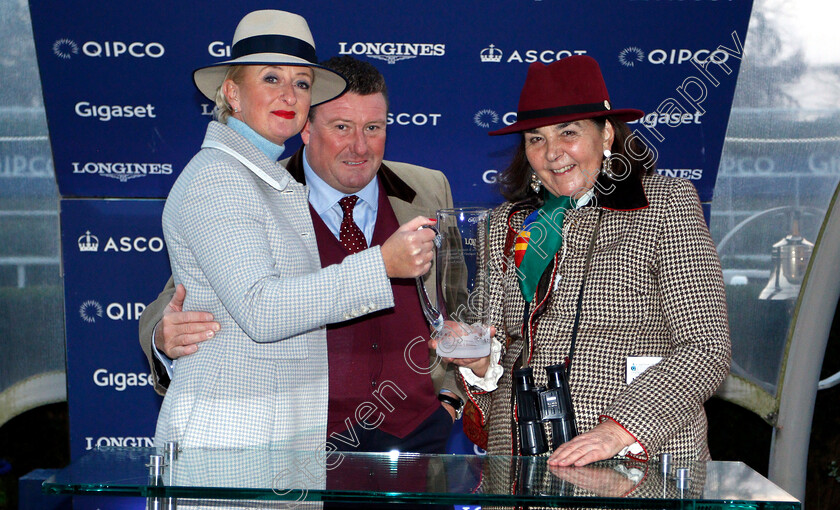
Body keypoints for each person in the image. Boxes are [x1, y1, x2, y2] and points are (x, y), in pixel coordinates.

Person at [144, 54, 464, 453]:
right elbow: (190, 288)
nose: (359, 146)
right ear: (306, 128)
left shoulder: (429, 188)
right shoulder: (259, 191)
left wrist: (450, 399)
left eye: (373, 128)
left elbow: (460, 299)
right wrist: (162, 334)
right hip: (304, 443)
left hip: (420, 437)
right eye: (342, 127)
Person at [443, 55, 731, 466]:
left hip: (635, 463)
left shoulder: (665, 205)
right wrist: (480, 360)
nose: (553, 152)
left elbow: (706, 348)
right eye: (536, 139)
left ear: (607, 134)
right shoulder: (505, 224)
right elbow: (500, 348)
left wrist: (618, 429)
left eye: (569, 132)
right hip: (520, 465)